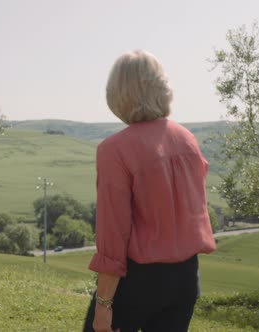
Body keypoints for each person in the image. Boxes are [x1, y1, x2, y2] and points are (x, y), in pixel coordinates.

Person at [83, 50, 216, 332]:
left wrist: (104, 304)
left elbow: (113, 234)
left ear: (117, 93)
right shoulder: (187, 139)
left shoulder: (114, 150)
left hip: (136, 282)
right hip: (185, 279)